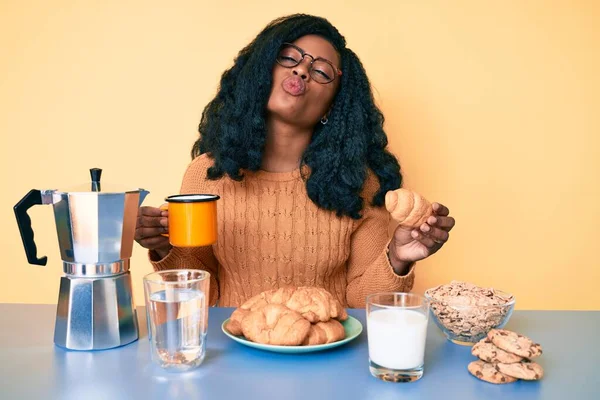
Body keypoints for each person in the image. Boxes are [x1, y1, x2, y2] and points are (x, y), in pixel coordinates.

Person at [135, 14, 455, 308]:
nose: (301, 70)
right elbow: (201, 294)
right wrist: (164, 249)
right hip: (232, 353)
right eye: (289, 58)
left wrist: (398, 256)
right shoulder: (206, 174)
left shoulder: (357, 181)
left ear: (332, 106)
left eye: (321, 72)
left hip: (325, 354)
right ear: (261, 74)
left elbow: (361, 301)